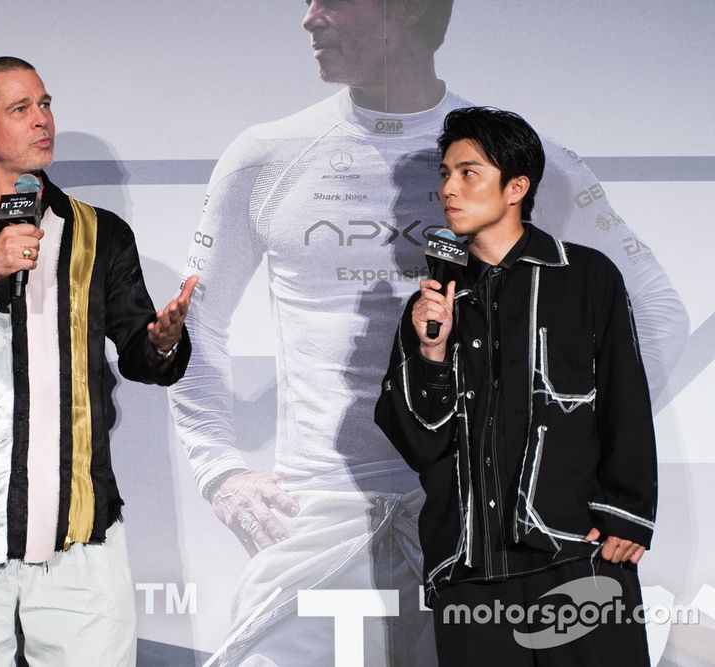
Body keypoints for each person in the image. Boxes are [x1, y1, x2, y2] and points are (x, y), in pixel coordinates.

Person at [168, 1, 684, 665]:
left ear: (407, 9)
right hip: (318, 522)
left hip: (479, 527)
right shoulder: (268, 155)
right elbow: (195, 321)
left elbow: (655, 309)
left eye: (332, 1)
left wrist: (559, 460)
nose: (310, 19)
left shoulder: (522, 158)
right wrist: (221, 472)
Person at [0, 56, 197, 666]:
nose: (42, 120)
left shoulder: (102, 233)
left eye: (46, 104)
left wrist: (163, 340)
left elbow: (140, 356)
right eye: (20, 108)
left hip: (78, 530)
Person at [375, 105, 655, 664]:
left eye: (468, 173)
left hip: (574, 553)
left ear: (516, 187)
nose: (448, 188)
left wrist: (627, 512)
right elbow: (419, 443)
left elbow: (625, 396)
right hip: (469, 570)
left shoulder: (585, 276)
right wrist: (431, 353)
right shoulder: (432, 306)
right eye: (445, 174)